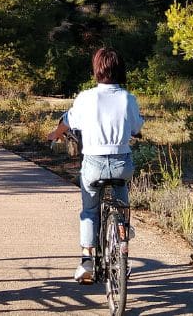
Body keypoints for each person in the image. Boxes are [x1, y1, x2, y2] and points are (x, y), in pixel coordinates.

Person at [47, 47, 144, 284]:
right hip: (121, 163)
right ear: (121, 70)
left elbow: (67, 122)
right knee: (122, 201)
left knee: (89, 210)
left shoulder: (85, 97)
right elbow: (136, 128)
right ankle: (122, 231)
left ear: (96, 70)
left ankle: (87, 260)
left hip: (93, 164)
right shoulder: (128, 98)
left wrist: (54, 134)